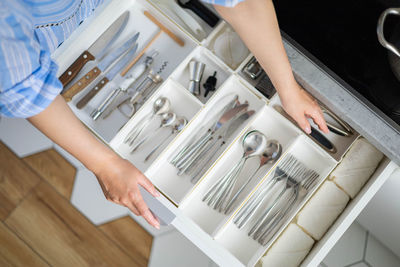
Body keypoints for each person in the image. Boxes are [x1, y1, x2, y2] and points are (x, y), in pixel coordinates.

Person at [0, 0, 328, 230]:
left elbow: (240, 1)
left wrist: (287, 88)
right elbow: (23, 91)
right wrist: (105, 165)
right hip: (41, 48)